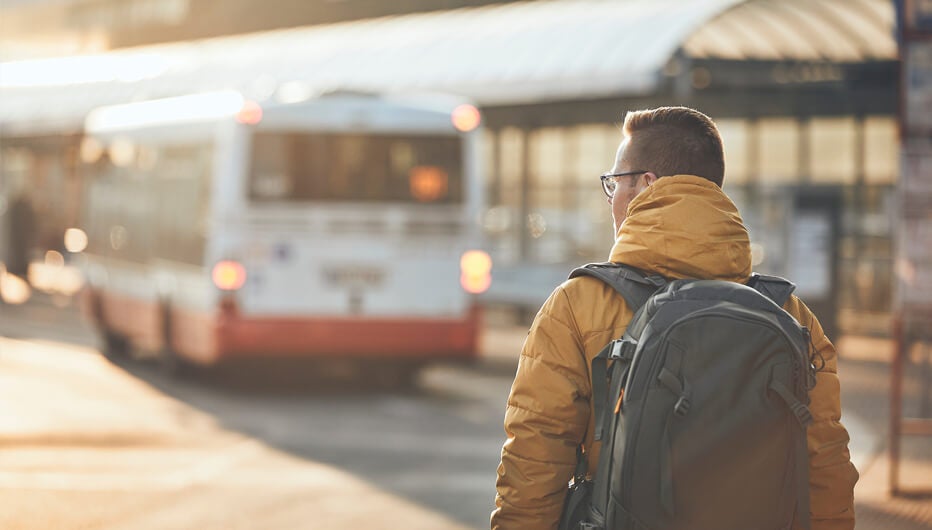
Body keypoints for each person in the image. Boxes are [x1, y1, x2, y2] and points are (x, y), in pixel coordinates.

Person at [491, 107, 858, 530]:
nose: (612, 201)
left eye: (613, 184)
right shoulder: (790, 314)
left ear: (646, 185)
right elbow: (825, 464)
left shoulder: (578, 305)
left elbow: (535, 460)